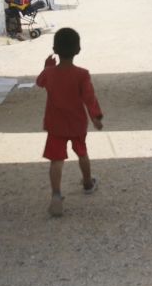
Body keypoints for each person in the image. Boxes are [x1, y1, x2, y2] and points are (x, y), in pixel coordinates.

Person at [35, 27, 103, 217]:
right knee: (82, 152)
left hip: (55, 124)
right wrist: (96, 117)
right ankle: (88, 183)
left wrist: (47, 66)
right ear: (78, 50)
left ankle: (56, 195)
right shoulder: (82, 74)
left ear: (55, 50)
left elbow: (39, 82)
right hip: (77, 123)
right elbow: (90, 98)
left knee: (56, 160)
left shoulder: (49, 73)